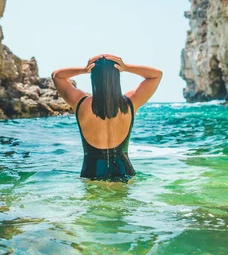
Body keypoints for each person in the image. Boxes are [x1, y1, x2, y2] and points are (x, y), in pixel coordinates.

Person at [51, 54, 163, 182]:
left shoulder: (81, 103)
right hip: (124, 171)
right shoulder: (130, 103)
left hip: (91, 172)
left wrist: (84, 69)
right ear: (117, 76)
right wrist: (126, 67)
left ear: (93, 76)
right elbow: (156, 75)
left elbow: (57, 75)